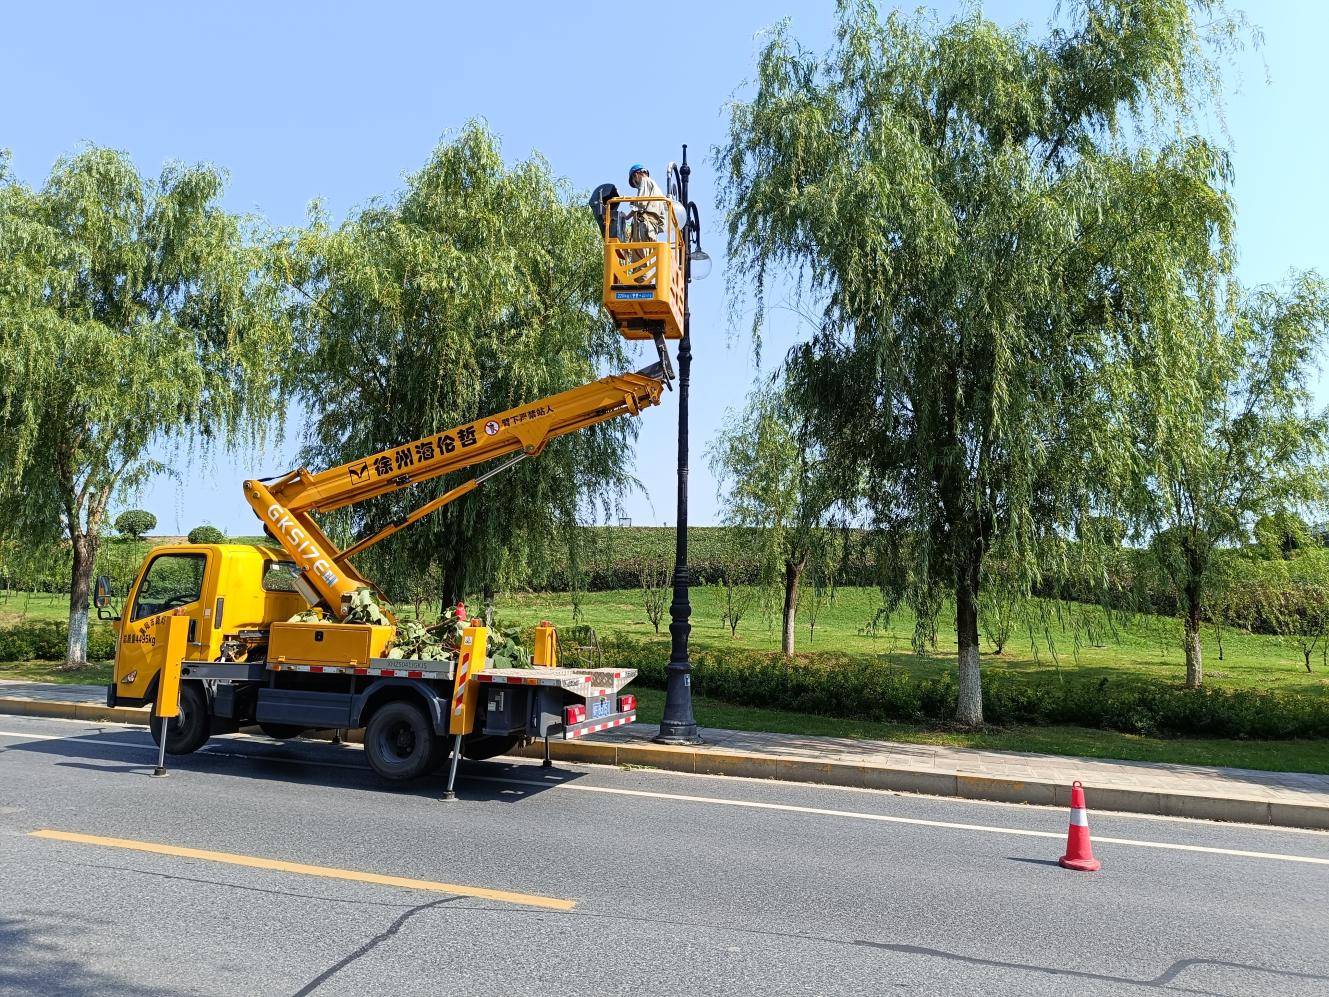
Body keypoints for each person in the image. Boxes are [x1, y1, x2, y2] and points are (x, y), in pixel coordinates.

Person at [627, 163, 666, 243]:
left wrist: (627, 217)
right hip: (652, 228)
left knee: (640, 253)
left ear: (636, 174)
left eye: (634, 182)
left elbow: (641, 204)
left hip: (644, 224)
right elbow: (662, 216)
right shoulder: (656, 189)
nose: (636, 184)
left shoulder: (644, 180)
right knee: (648, 253)